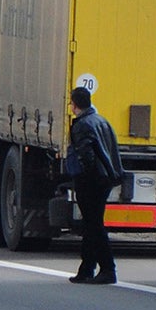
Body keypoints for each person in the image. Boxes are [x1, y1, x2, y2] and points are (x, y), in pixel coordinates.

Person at [65, 85, 123, 285]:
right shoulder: (101, 121)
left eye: (71, 103)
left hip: (91, 181)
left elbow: (86, 157)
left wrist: (83, 178)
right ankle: (86, 268)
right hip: (105, 179)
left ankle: (107, 269)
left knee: (94, 225)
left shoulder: (82, 125)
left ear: (75, 105)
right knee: (91, 225)